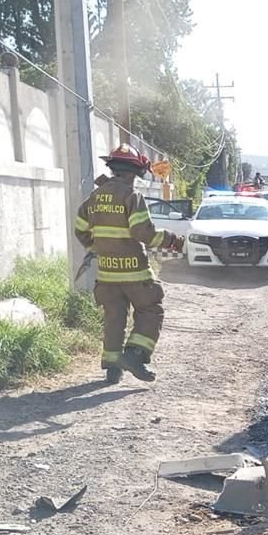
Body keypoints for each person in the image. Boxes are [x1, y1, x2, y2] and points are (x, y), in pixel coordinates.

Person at [74, 144, 184, 383]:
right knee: (149, 311)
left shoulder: (95, 196)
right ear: (133, 173)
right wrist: (172, 240)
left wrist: (97, 248)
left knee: (114, 317)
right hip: (135, 273)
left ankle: (113, 369)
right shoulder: (131, 196)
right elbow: (144, 233)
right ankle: (134, 355)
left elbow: (80, 229)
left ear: (114, 169)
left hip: (107, 274)